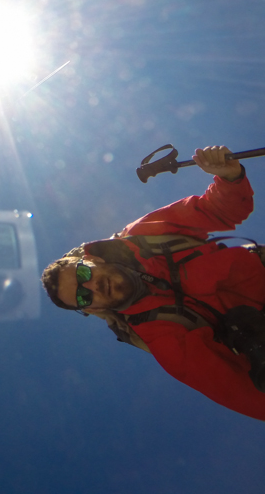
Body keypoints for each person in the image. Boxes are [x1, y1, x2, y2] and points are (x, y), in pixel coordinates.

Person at [41, 145, 265, 420]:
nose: (91, 287)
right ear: (93, 309)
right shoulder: (161, 336)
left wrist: (229, 177)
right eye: (82, 297)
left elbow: (219, 210)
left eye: (83, 275)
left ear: (91, 260)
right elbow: (241, 392)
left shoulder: (145, 236)